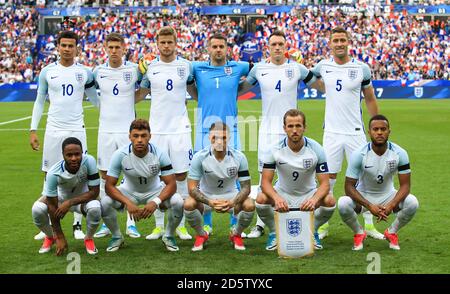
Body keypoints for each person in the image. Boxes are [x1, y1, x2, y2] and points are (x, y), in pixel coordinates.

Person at [241, 30, 325, 239]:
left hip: (291, 128)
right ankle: (261, 225)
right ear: (267, 48)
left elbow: (321, 86)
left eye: (281, 44)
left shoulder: (297, 68)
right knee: (264, 177)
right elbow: (240, 89)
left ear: (286, 47)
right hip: (267, 131)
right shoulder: (259, 69)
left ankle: (305, 213)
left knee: (298, 171)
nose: (277, 47)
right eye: (274, 44)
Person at [311, 26, 382, 240]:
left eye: (343, 40)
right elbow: (309, 78)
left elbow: (369, 98)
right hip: (331, 132)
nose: (340, 44)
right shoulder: (323, 66)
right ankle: (322, 225)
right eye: (336, 40)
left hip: (355, 132)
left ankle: (369, 224)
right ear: (330, 44)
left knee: (364, 179)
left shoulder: (361, 68)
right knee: (328, 179)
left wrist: (375, 124)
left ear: (348, 42)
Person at [29, 30, 98, 241]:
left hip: (77, 130)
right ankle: (50, 222)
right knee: (49, 175)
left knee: (80, 177)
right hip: (53, 131)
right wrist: (33, 129)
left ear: (77, 48)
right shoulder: (47, 72)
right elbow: (40, 101)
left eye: (71, 46)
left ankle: (77, 224)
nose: (67, 49)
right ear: (57, 47)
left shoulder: (85, 72)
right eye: (64, 45)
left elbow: (96, 100)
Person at [136, 27, 196, 241]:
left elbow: (194, 92)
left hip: (180, 129)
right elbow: (141, 94)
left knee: (181, 176)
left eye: (170, 42)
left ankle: (180, 226)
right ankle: (159, 226)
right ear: (157, 44)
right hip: (158, 130)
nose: (167, 46)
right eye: (163, 43)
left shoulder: (186, 66)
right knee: (159, 177)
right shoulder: (150, 67)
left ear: (175, 43)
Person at [192, 33, 250, 234]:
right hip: (204, 128)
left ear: (227, 49)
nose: (218, 49)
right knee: (201, 176)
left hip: (231, 127)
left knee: (234, 174)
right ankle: (206, 220)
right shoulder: (197, 68)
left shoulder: (238, 67)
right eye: (214, 46)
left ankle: (235, 220)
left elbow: (258, 70)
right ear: (208, 48)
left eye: (221, 46)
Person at [100, 119, 184, 252]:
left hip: (154, 191)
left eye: (143, 136)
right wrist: (128, 203)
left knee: (178, 201)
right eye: (136, 136)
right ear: (129, 137)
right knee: (105, 202)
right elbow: (109, 186)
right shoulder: (120, 155)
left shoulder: (160, 154)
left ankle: (168, 235)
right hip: (129, 192)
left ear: (150, 136)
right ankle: (117, 236)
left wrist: (156, 202)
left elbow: (172, 184)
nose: (139, 140)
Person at [257, 109, 335, 251]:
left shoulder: (316, 149)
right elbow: (265, 182)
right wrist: (276, 198)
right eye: (290, 126)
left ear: (304, 127)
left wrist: (314, 200)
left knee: (330, 201)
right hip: (283, 193)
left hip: (308, 193)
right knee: (261, 198)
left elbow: (325, 183)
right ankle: (275, 233)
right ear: (284, 128)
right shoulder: (274, 149)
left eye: (298, 126)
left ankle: (313, 231)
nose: (294, 130)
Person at [338, 114, 418, 250]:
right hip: (365, 196)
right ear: (369, 132)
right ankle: (359, 233)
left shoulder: (400, 153)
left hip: (388, 195)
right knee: (343, 204)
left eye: (383, 129)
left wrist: (391, 205)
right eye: (375, 129)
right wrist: (369, 206)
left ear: (389, 131)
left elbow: (405, 186)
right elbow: (348, 187)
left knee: (412, 202)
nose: (379, 132)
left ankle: (391, 232)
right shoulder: (359, 154)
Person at [92, 33, 143, 240]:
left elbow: (146, 88)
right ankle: (107, 222)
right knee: (105, 176)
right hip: (105, 131)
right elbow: (89, 94)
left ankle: (132, 223)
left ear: (124, 48)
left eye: (117, 47)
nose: (114, 51)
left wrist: (130, 102)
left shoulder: (133, 70)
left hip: (126, 131)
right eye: (110, 47)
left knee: (132, 174)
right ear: (106, 48)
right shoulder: (97, 71)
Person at [184, 121, 254, 251]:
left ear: (229, 137)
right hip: (206, 196)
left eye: (223, 137)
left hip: (230, 196)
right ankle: (201, 235)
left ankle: (236, 234)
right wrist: (210, 202)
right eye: (215, 137)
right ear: (209, 138)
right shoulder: (199, 157)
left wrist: (233, 202)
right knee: (188, 203)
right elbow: (192, 188)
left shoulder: (239, 157)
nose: (219, 141)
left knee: (249, 205)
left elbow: (246, 187)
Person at [31, 137, 101, 255]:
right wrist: (60, 236)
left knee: (95, 207)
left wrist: (69, 203)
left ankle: (88, 238)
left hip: (82, 200)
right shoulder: (53, 173)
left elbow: (94, 192)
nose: (74, 158)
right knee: (37, 209)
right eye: (69, 155)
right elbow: (52, 205)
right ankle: (50, 237)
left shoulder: (89, 161)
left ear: (82, 152)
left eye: (77, 154)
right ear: (63, 155)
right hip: (60, 201)